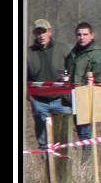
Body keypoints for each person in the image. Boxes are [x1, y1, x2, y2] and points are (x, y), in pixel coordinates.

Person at [64, 22, 101, 147]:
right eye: (79, 34)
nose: (82, 37)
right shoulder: (73, 53)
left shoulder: (97, 54)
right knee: (81, 135)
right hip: (75, 99)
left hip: (89, 99)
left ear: (92, 35)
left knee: (86, 137)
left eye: (85, 34)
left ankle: (88, 164)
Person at [26, 19, 72, 149]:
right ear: (35, 34)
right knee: (43, 141)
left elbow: (72, 70)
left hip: (60, 100)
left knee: (62, 138)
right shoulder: (28, 53)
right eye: (38, 32)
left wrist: (67, 80)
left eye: (44, 32)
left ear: (50, 32)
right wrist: (31, 96)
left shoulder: (62, 49)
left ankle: (62, 164)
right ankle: (44, 165)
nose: (41, 35)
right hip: (39, 102)